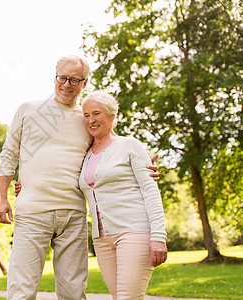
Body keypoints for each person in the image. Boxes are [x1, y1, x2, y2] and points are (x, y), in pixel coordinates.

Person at [0, 55, 159, 300]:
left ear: (84, 82)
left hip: (73, 216)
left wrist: (143, 167)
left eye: (74, 79)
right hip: (33, 213)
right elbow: (9, 153)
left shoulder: (86, 119)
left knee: (73, 294)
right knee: (21, 291)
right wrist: (2, 198)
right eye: (62, 78)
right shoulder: (28, 110)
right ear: (55, 78)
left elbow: (108, 150)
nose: (67, 84)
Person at [79, 91, 167, 299]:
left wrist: (158, 236)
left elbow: (150, 191)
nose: (91, 120)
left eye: (96, 113)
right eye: (86, 115)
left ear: (112, 115)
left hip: (133, 232)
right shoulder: (85, 154)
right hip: (101, 239)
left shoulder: (130, 145)